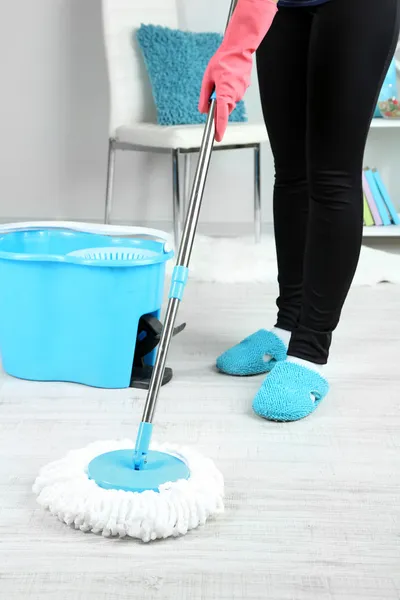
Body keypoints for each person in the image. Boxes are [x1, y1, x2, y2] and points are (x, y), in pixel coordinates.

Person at [199, 0, 400, 421]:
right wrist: (236, 41)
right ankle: (287, 324)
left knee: (331, 174)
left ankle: (309, 352)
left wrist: (235, 50)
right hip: (284, 5)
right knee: (290, 172)